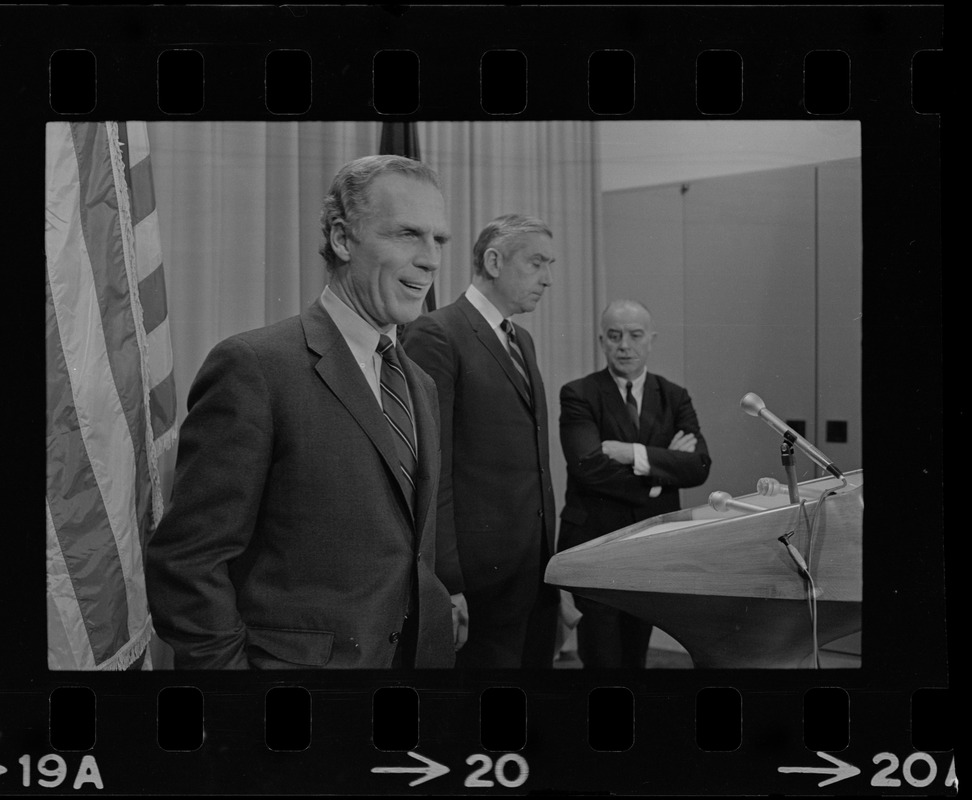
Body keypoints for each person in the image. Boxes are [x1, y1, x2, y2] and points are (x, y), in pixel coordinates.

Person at [146, 154, 465, 669]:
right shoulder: (255, 367)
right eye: (408, 234)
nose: (431, 260)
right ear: (342, 239)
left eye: (439, 240)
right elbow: (186, 563)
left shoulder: (419, 382)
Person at [401, 214, 560, 669]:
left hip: (533, 567)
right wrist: (447, 582)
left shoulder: (522, 340)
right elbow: (433, 467)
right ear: (493, 260)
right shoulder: (437, 333)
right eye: (536, 264)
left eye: (550, 265)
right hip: (478, 577)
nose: (547, 279)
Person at [558, 300, 711, 669]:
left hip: (651, 547)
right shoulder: (579, 394)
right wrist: (662, 471)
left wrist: (632, 453)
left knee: (635, 655)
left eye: (635, 335)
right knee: (601, 659)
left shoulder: (674, 396)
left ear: (651, 340)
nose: (624, 345)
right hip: (596, 545)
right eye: (614, 336)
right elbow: (588, 467)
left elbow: (698, 466)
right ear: (602, 340)